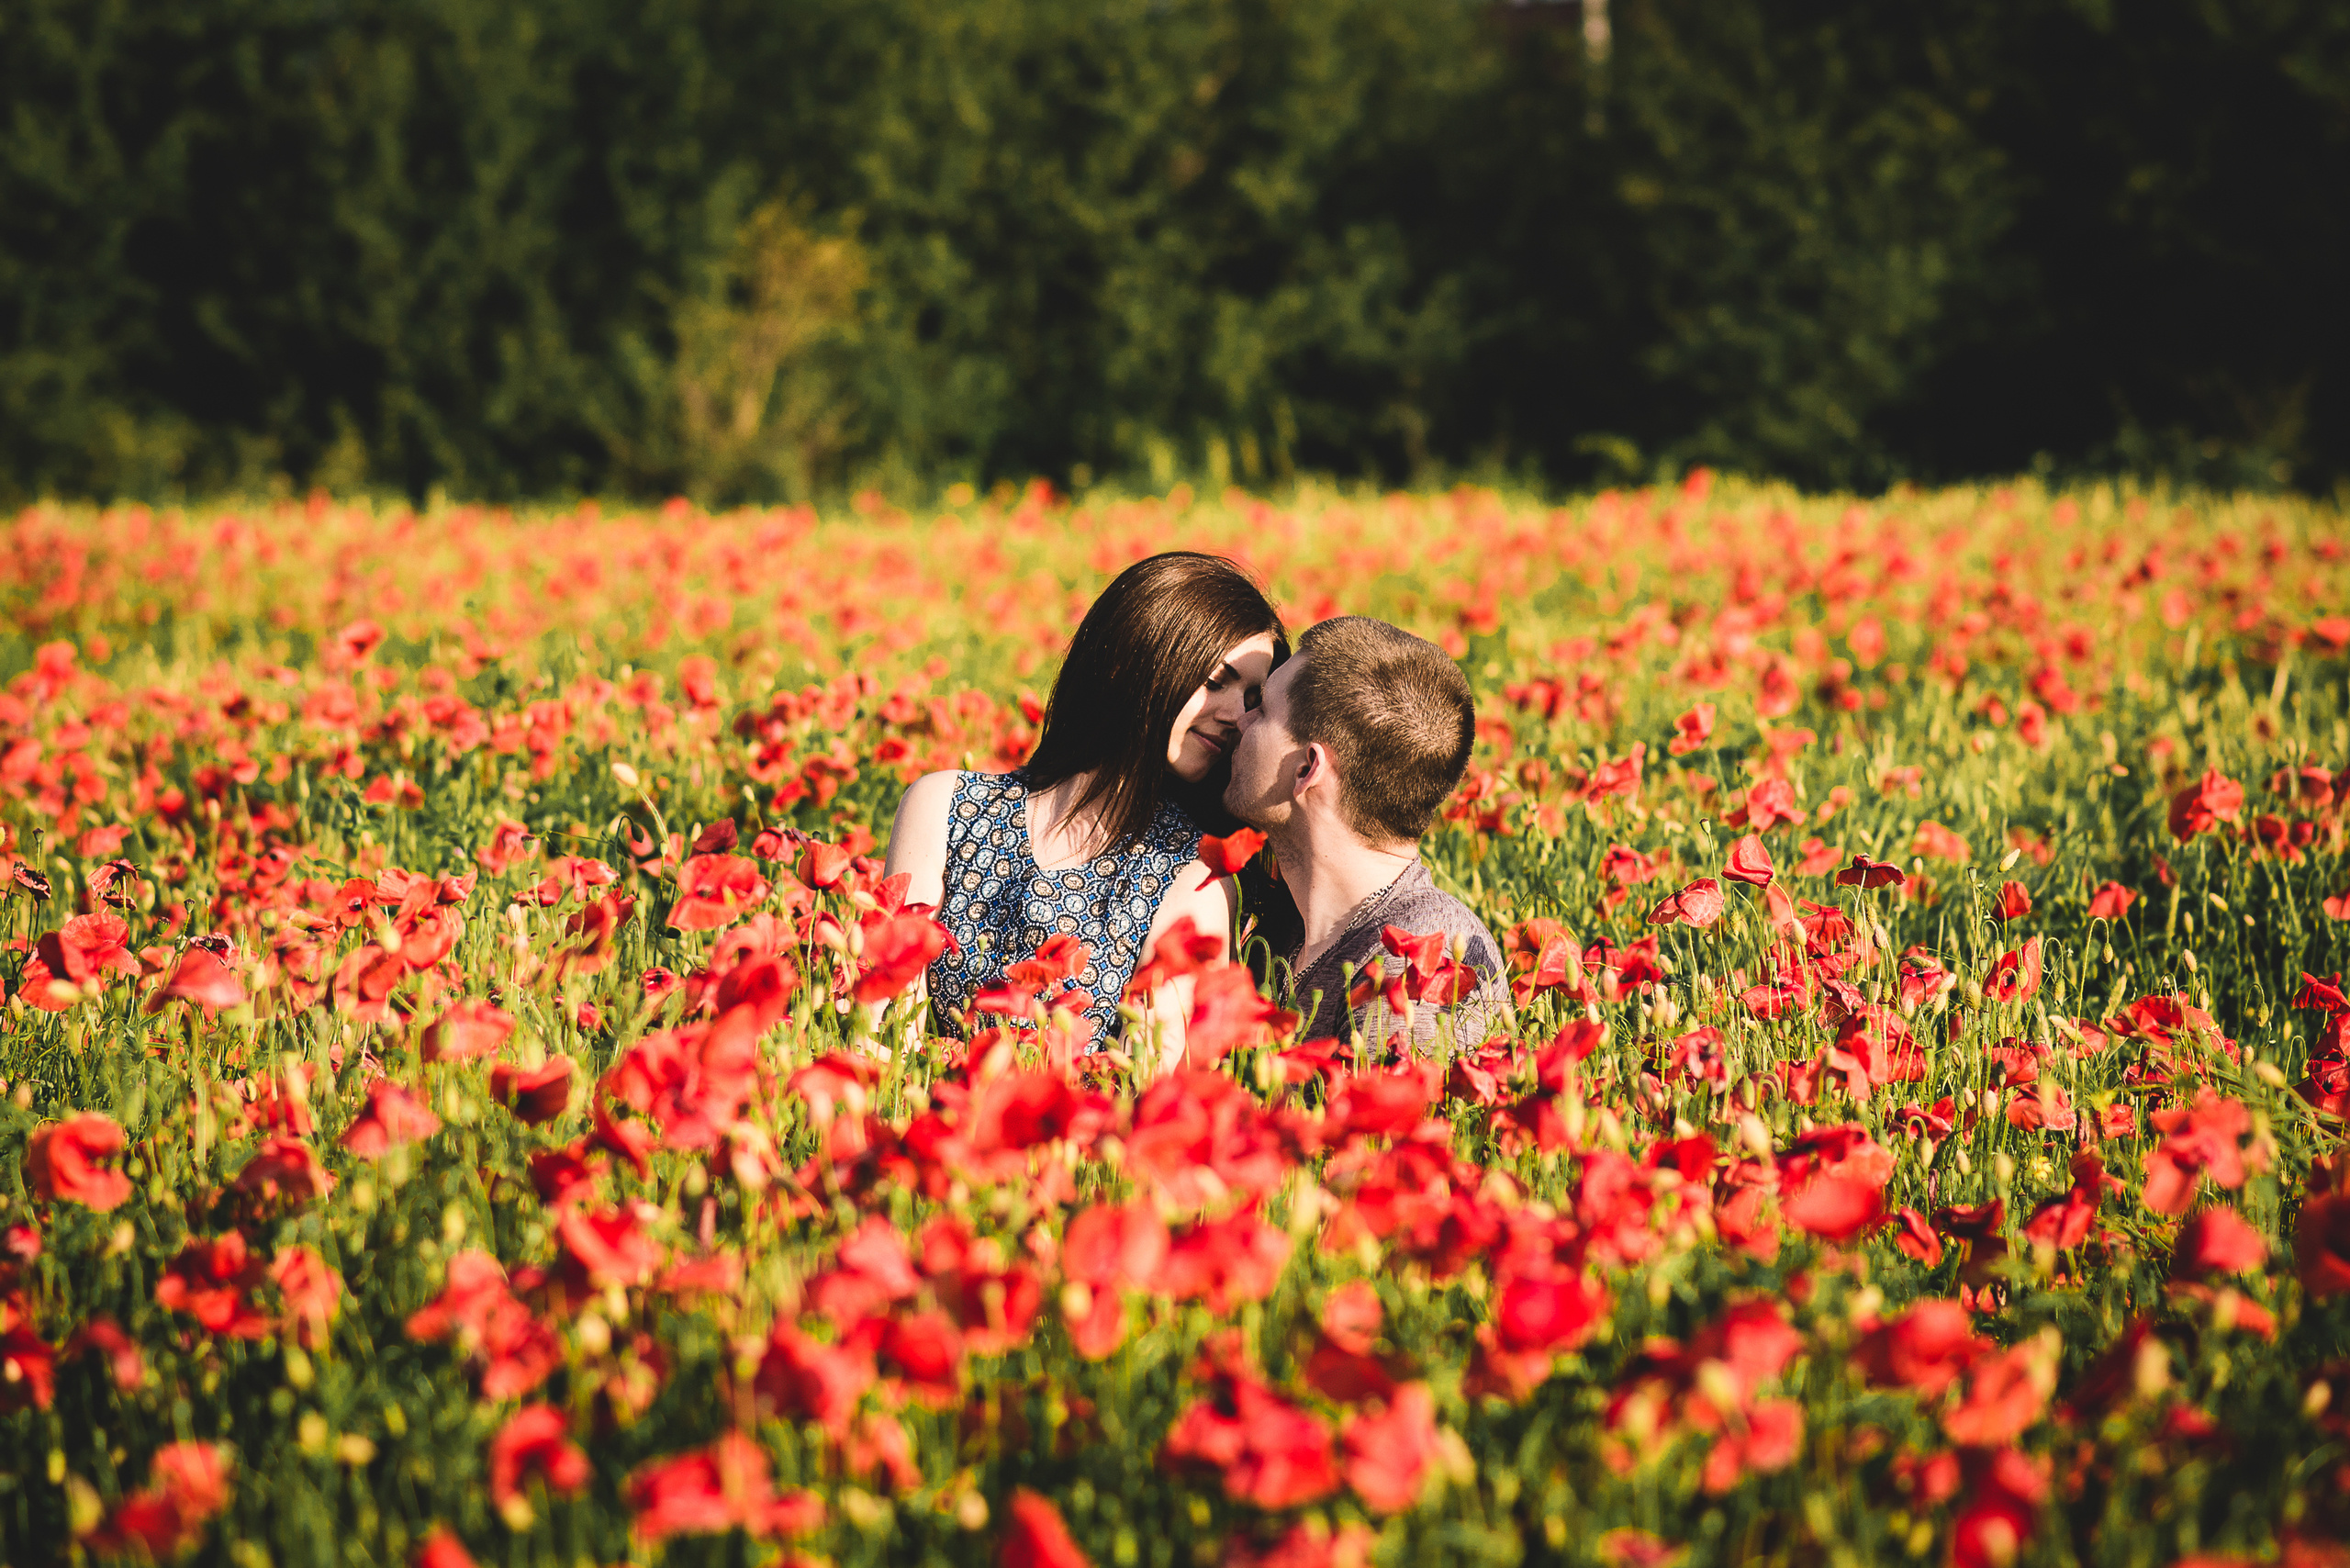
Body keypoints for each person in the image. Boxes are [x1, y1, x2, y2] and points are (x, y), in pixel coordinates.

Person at [883, 551, 1287, 1065]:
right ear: (1135, 658)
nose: (1237, 717)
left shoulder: (1194, 880)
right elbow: (880, 1044)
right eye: (1215, 682)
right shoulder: (942, 808)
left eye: (1253, 698)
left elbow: (1149, 1102)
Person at [1221, 614, 1511, 1049]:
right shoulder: (1282, 936)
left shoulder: (1415, 956)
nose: (1241, 723)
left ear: (1307, 768)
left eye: (1261, 709)